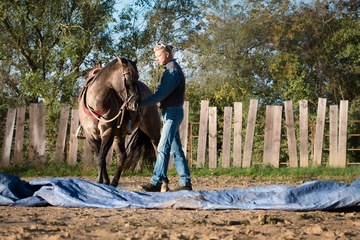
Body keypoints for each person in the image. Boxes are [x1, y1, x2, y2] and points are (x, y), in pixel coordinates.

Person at [140, 43, 192, 192]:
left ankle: (156, 181)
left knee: (163, 147)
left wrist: (141, 103)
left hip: (172, 112)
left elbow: (160, 94)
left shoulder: (173, 72)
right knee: (176, 150)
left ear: (167, 54)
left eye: (158, 56)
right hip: (170, 112)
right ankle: (185, 183)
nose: (157, 59)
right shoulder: (170, 70)